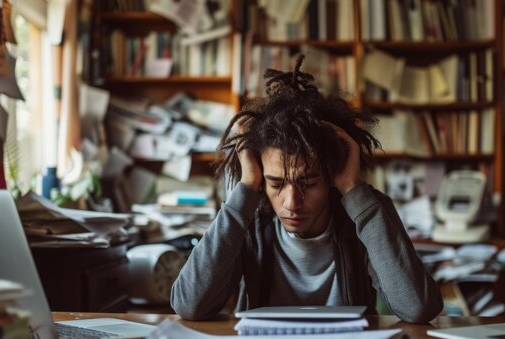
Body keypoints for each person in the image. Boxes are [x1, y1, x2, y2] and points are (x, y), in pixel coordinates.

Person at [171, 56, 443, 323]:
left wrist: (353, 190)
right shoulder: (248, 216)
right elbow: (189, 305)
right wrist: (245, 189)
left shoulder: (366, 211)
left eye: (309, 183)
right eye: (276, 183)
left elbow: (418, 308)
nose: (291, 202)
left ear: (331, 176)